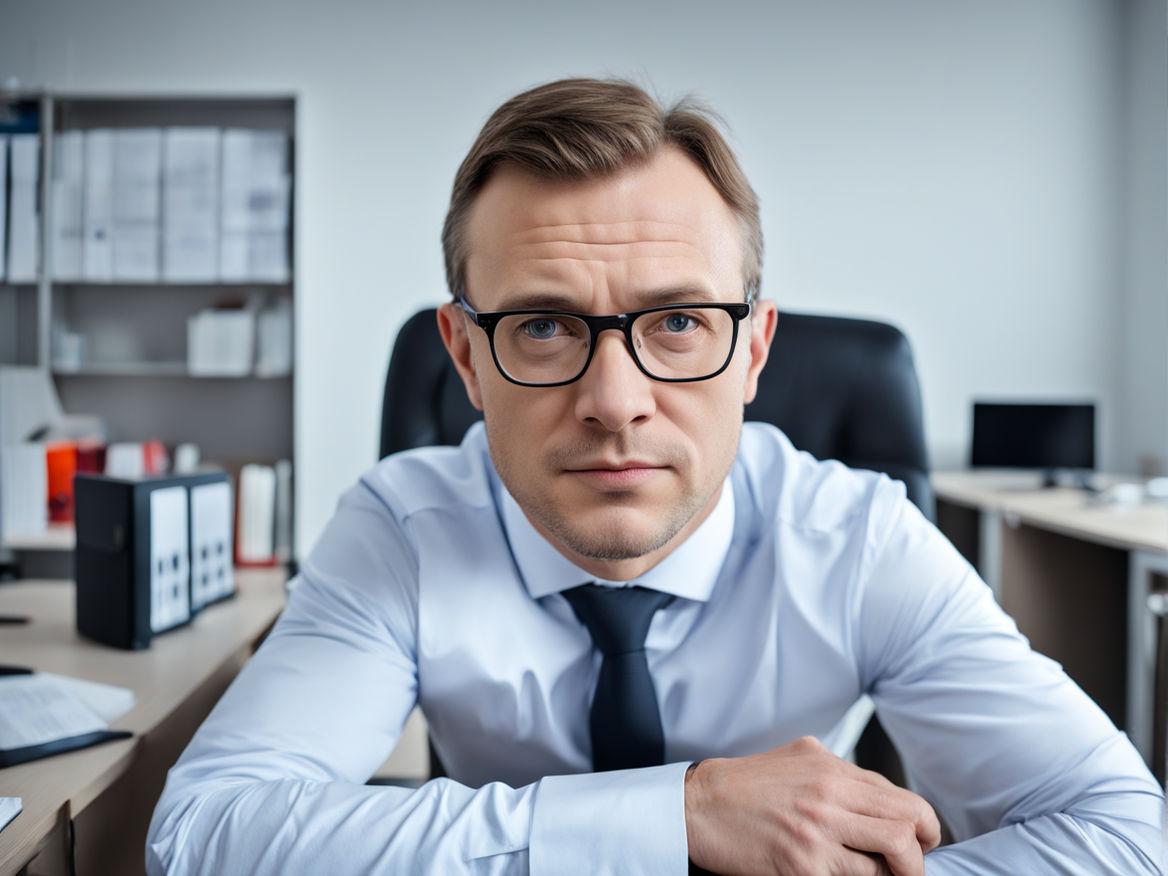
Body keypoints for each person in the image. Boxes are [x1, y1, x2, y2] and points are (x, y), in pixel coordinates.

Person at [147, 78, 1165, 875]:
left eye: (678, 323)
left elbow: (1128, 838)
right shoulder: (402, 528)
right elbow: (203, 837)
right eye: (543, 326)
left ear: (754, 352)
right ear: (463, 361)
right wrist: (674, 818)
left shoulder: (857, 540)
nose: (615, 399)